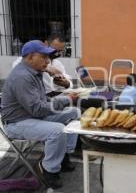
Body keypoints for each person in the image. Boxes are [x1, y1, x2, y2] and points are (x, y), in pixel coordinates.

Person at [0, 40, 79, 189]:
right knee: (57, 130)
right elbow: (37, 109)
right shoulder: (22, 76)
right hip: (17, 123)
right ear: (30, 57)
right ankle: (49, 170)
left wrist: (64, 99)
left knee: (74, 112)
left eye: (48, 57)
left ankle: (62, 155)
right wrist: (65, 99)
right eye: (43, 57)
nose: (48, 61)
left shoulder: (35, 73)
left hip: (31, 116)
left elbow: (43, 99)